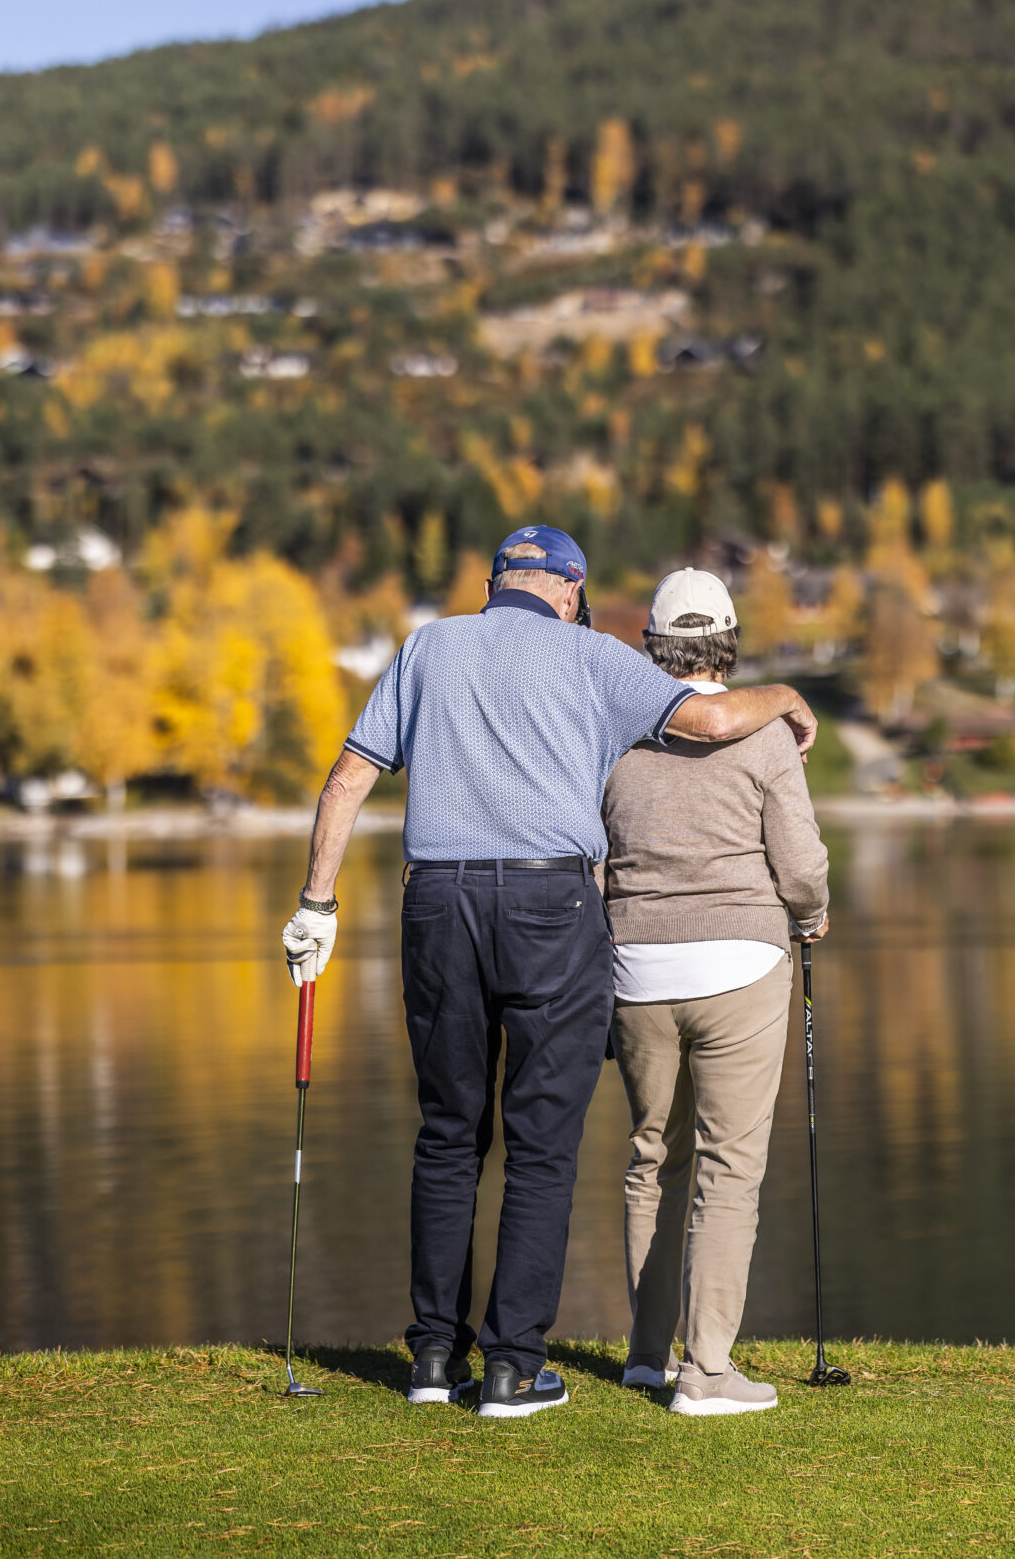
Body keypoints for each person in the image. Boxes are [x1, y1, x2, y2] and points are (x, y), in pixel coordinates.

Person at [278, 525, 818, 1420]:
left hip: (437, 903)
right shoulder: (589, 655)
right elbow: (715, 719)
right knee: (540, 1140)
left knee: (448, 1133)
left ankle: (431, 1358)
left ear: (495, 583)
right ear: (569, 589)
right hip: (548, 906)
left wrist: (316, 906)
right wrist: (793, 697)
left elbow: (345, 781)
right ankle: (512, 1369)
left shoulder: (427, 646)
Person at [601, 568, 829, 1417]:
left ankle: (645, 1356)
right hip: (741, 962)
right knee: (729, 1168)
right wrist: (812, 916)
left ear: (654, 646)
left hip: (636, 967)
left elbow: (596, 860)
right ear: (729, 643)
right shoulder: (764, 733)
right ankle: (706, 1375)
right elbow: (800, 865)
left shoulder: (614, 734)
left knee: (652, 1156)